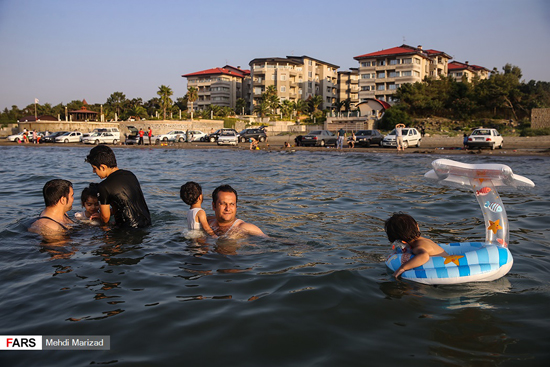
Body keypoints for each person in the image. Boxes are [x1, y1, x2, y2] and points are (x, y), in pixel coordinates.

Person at [85, 145, 151, 228]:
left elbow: (105, 218)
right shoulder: (130, 175)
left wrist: (100, 216)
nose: (94, 171)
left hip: (127, 230)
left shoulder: (104, 186)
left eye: (94, 168)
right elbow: (127, 203)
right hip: (146, 223)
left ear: (102, 167)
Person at [384, 212, 448, 279]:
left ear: (402, 241)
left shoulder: (417, 247)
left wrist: (402, 268)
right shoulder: (425, 240)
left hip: (442, 270)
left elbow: (424, 256)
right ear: (417, 226)